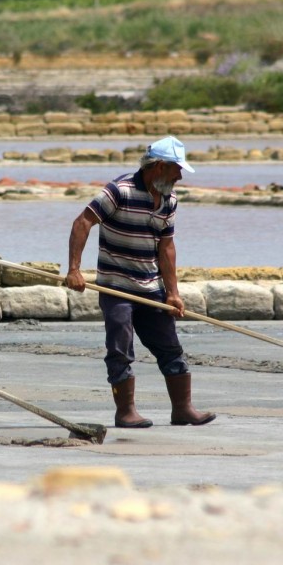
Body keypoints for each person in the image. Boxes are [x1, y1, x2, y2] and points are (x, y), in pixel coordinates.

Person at [65, 136, 216, 429]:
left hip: (151, 289)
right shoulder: (118, 191)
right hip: (116, 287)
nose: (180, 176)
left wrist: (173, 293)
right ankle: (125, 412)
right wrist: (74, 269)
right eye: (176, 169)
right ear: (159, 166)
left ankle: (183, 409)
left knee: (170, 347)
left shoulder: (169, 200)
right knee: (120, 348)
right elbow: (82, 222)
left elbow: (167, 248)